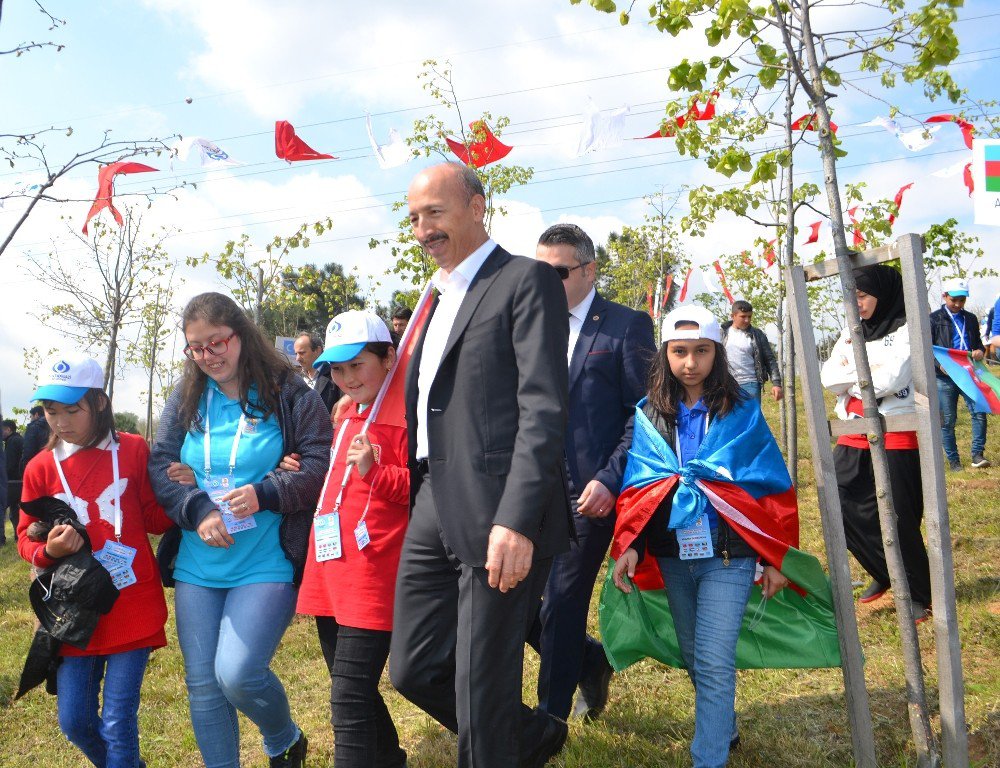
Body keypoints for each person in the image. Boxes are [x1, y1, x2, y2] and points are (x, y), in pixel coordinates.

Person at [388, 162, 573, 768]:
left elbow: (543, 407)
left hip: (497, 505)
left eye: (434, 213)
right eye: (414, 217)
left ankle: (503, 743)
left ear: (476, 206)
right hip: (433, 498)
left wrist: (516, 519)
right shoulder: (434, 299)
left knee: (482, 682)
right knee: (414, 668)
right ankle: (534, 736)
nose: (422, 230)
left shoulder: (526, 280)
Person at [149, 292, 331, 768]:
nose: (208, 356)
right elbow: (161, 463)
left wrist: (268, 490)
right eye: (196, 348)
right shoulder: (186, 397)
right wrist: (197, 508)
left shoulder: (288, 393)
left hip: (266, 557)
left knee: (238, 672)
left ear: (241, 336)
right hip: (198, 561)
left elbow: (317, 461)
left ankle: (283, 737)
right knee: (204, 686)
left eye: (217, 343)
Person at [611, 305, 790, 768]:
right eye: (680, 352)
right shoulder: (650, 414)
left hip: (729, 556)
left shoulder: (742, 412)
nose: (690, 362)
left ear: (717, 353)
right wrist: (631, 544)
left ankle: (706, 758)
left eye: (701, 351)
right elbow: (640, 487)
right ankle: (724, 726)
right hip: (674, 553)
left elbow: (767, 483)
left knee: (712, 660)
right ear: (665, 355)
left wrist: (773, 557)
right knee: (694, 655)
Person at [17, 352, 173, 767]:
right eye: (51, 411)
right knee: (75, 721)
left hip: (131, 603)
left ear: (99, 403)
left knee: (118, 721)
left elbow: (156, 519)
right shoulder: (39, 468)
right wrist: (49, 550)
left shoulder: (135, 450)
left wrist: (180, 486)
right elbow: (24, 538)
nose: (61, 421)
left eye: (72, 409)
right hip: (73, 612)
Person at [527, 222, 655, 721]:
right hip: (532, 489)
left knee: (560, 600)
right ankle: (588, 658)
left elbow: (645, 414)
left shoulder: (625, 326)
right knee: (511, 600)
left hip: (590, 492)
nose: (545, 281)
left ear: (589, 269)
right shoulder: (529, 324)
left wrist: (610, 477)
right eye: (538, 271)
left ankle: (549, 720)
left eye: (556, 272)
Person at [295, 310, 409, 768]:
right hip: (331, 566)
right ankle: (389, 758)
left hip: (373, 571)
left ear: (389, 357)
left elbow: (425, 492)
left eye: (357, 365)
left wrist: (375, 472)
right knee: (350, 689)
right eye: (337, 370)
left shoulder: (409, 419)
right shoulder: (347, 413)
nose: (346, 378)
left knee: (346, 698)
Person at [821, 265, 932, 619]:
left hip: (897, 430)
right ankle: (883, 571)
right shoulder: (850, 330)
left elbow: (888, 380)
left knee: (899, 515)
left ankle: (917, 592)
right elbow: (828, 375)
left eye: (864, 297)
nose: (858, 305)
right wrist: (860, 379)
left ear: (882, 296)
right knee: (836, 499)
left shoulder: (907, 328)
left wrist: (851, 377)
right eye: (851, 298)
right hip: (853, 428)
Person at [930, 277, 989, 470]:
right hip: (944, 377)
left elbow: (977, 344)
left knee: (979, 412)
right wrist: (939, 365)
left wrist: (980, 351)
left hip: (968, 372)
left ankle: (977, 455)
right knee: (948, 420)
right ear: (944, 296)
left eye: (962, 300)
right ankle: (954, 462)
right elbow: (927, 349)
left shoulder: (970, 319)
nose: (957, 304)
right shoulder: (934, 319)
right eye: (953, 299)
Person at [720, 300, 782, 403]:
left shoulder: (758, 335)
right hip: (726, 385)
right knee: (728, 418)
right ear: (733, 316)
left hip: (750, 384)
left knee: (751, 418)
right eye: (743, 316)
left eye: (749, 316)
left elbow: (770, 360)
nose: (747, 320)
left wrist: (776, 384)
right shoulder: (721, 334)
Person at [293, 331, 342, 413]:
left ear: (317, 351)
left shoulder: (336, 375)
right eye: (296, 354)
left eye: (302, 353)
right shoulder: (295, 378)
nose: (297, 358)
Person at [4, 419, 24, 541]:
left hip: (12, 482)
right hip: (20, 481)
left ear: (8, 429)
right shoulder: (19, 439)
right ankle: (19, 536)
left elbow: (9, 464)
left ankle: (1, 540)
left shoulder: (12, 441)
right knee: (15, 512)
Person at [20, 404, 50, 475]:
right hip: (54, 465)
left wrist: (24, 470)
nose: (30, 419)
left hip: (36, 468)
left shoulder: (33, 427)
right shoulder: (54, 425)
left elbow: (28, 452)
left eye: (31, 416)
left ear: (36, 415)